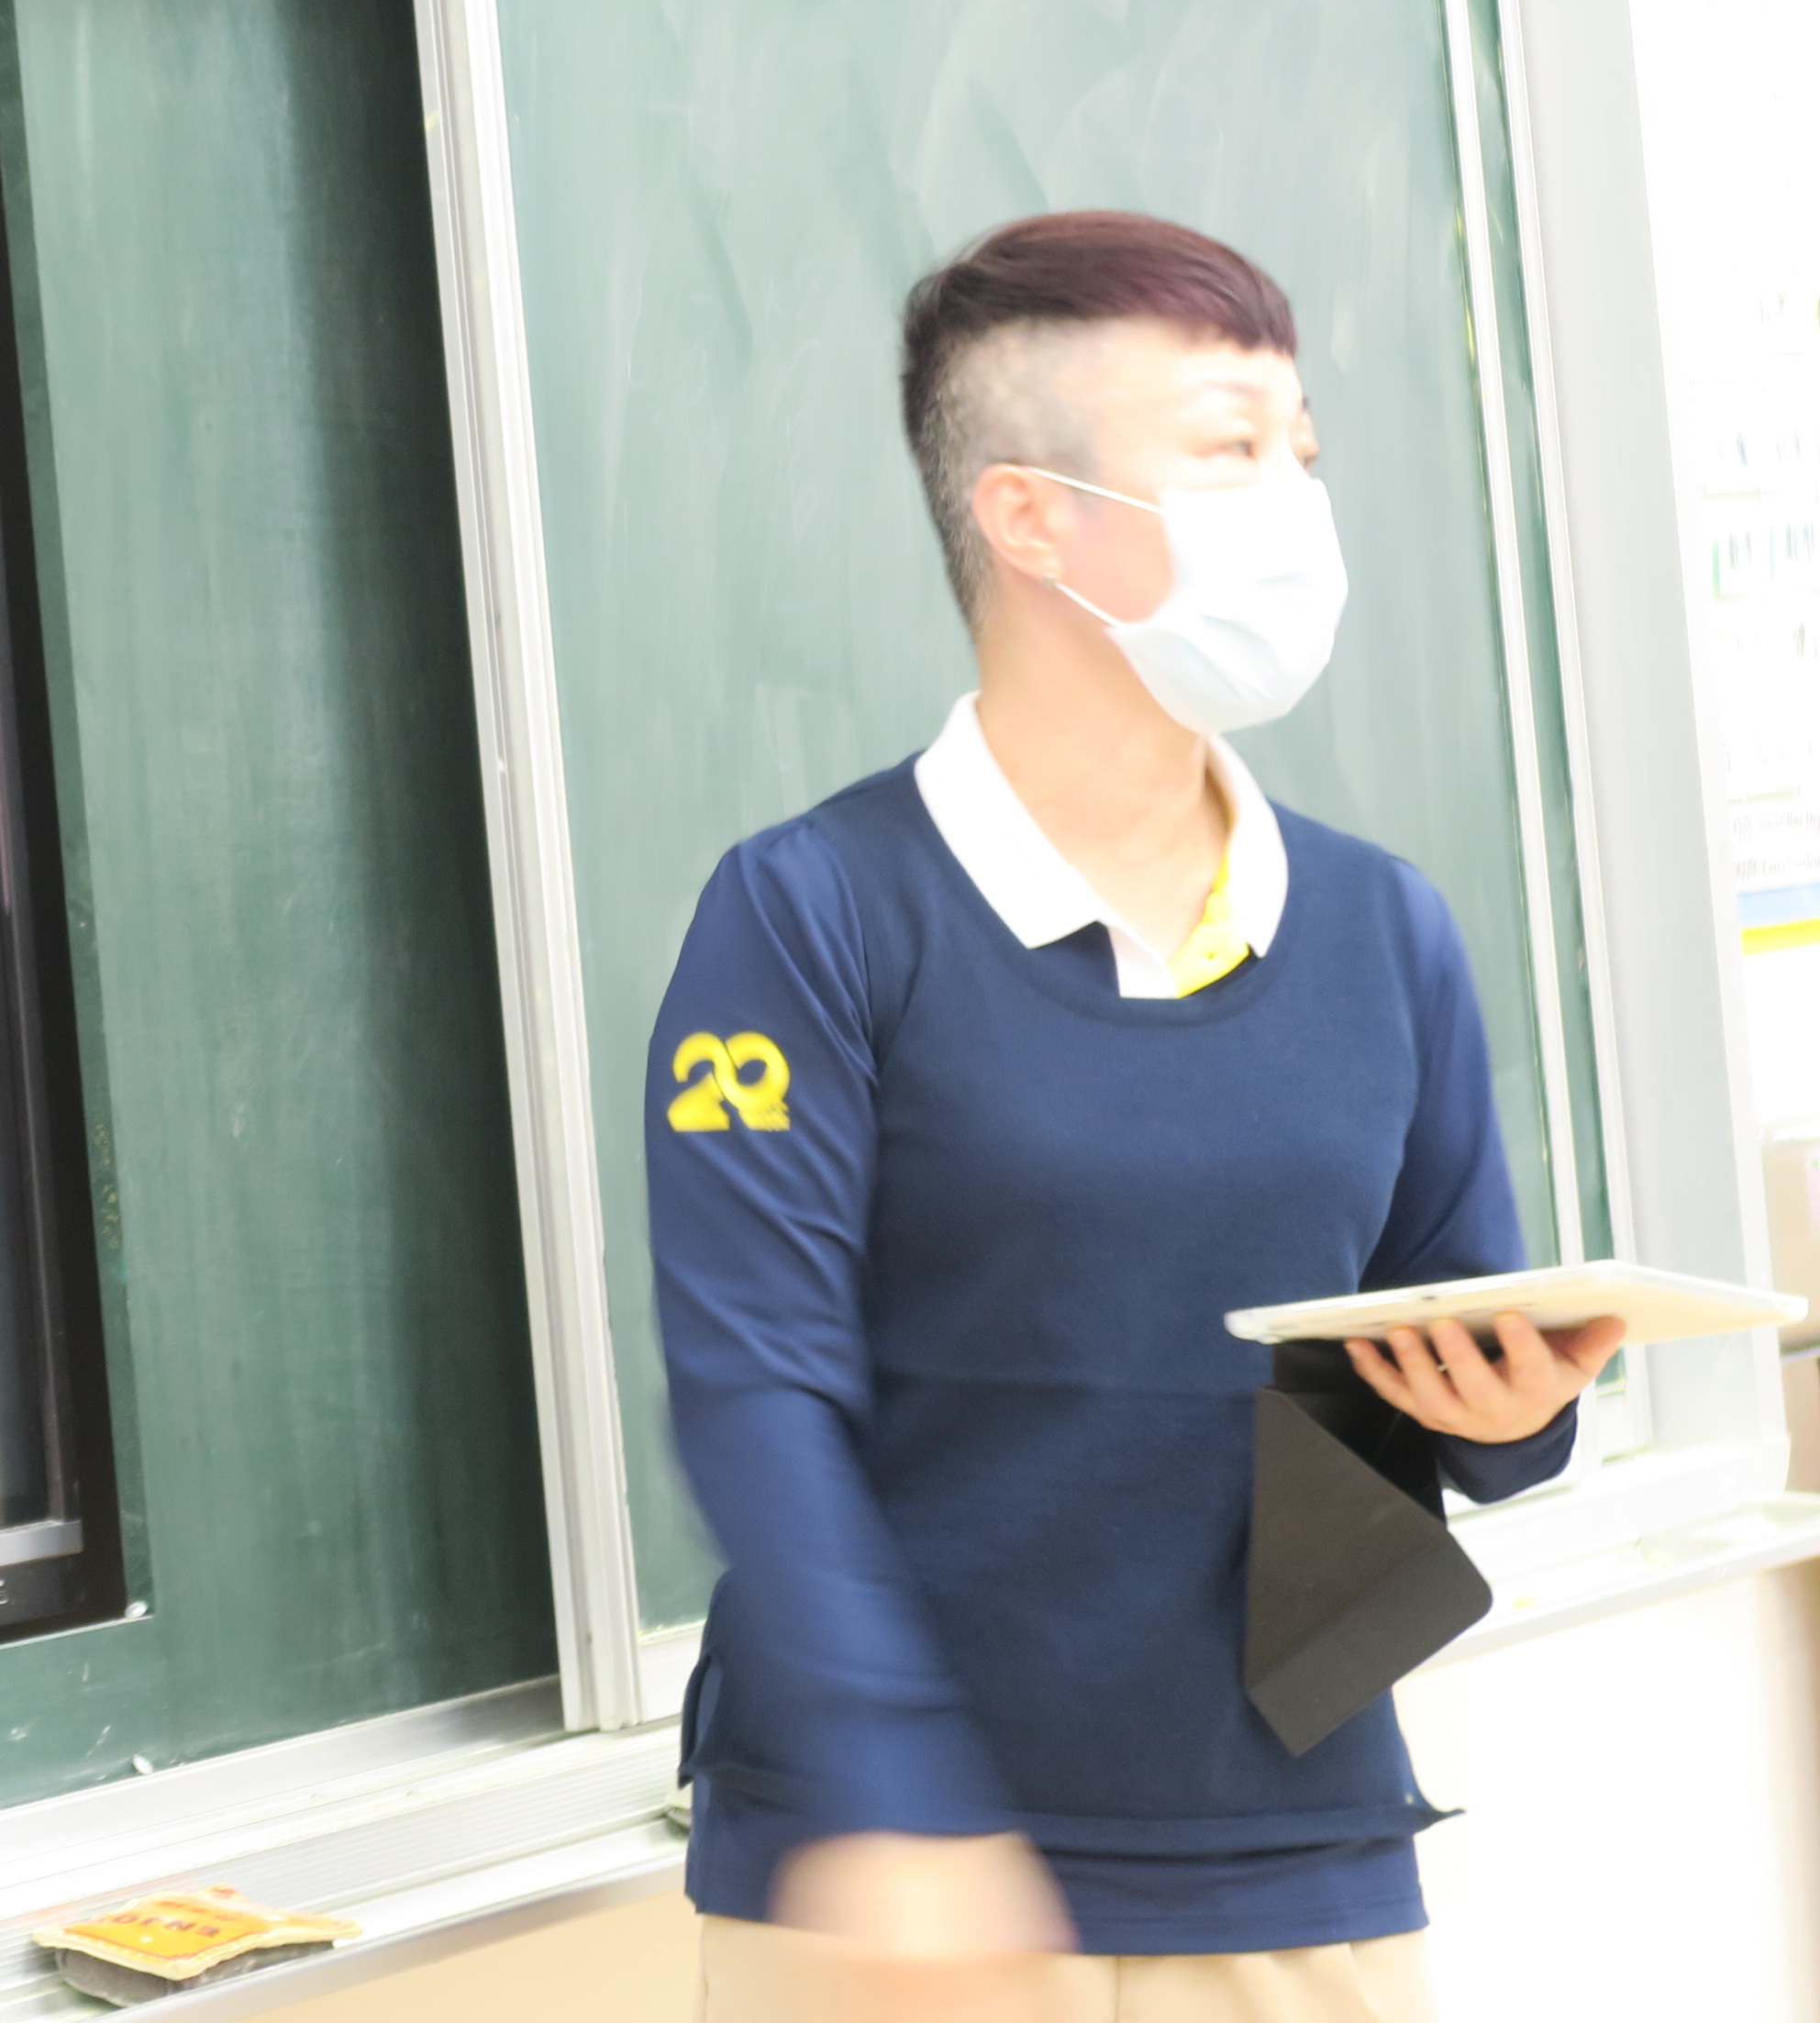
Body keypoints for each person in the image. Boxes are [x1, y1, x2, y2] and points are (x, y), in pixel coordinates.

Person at [648, 213, 1626, 2023]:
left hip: (1291, 1845)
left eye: (1301, 450)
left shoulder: (1382, 925)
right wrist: (896, 1792)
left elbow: (1463, 1379)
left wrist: (1517, 1415)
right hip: (895, 1882)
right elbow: (755, 1390)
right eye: (1229, 448)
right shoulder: (810, 913)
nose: (1296, 505)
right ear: (1035, 517)